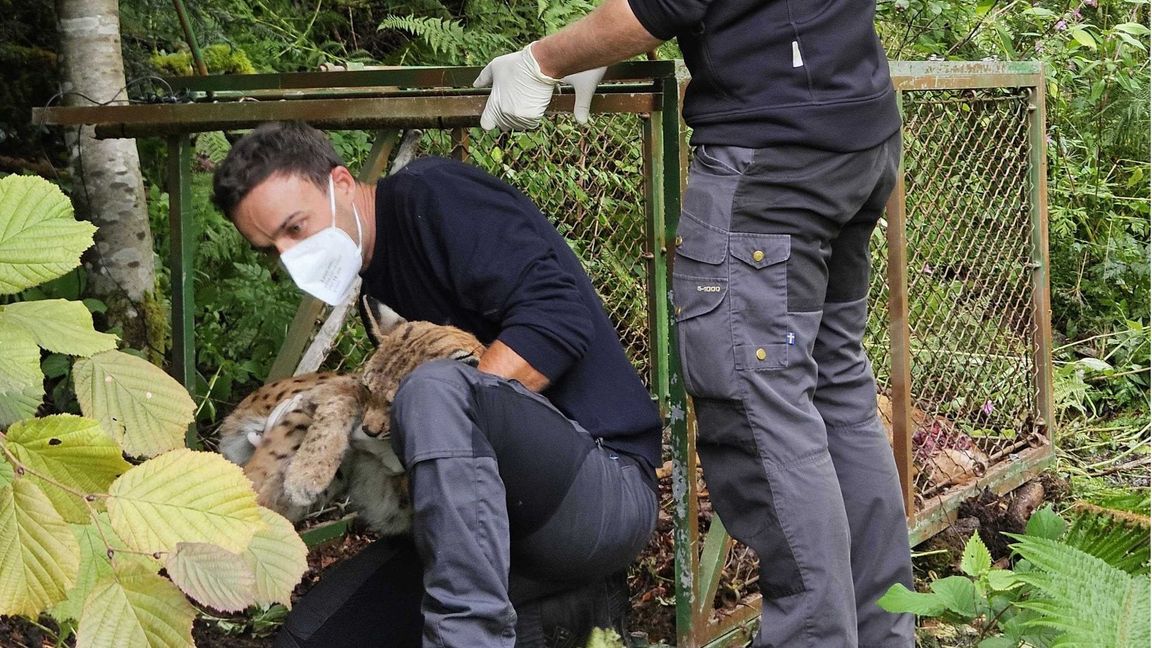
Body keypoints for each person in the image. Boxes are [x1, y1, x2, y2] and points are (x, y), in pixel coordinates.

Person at [473, 1, 916, 646]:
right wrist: (597, 49)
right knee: (837, 390)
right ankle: (882, 633)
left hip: (772, 168)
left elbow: (656, 7)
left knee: (763, 409)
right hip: (857, 138)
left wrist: (543, 62)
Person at [211, 121, 661, 647]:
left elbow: (558, 323)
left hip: (599, 490)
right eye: (271, 249)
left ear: (342, 183)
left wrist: (435, 413)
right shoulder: (376, 291)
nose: (290, 257)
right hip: (492, 530)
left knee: (433, 390)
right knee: (312, 637)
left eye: (295, 228)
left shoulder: (434, 196)